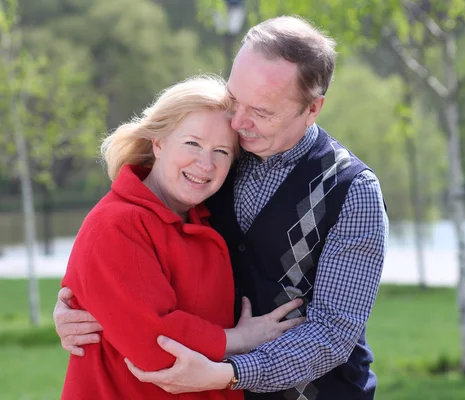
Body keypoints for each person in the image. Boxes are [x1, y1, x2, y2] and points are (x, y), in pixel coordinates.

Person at [54, 16, 389, 400]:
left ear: (312, 109)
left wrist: (229, 372)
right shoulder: (212, 161)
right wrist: (82, 304)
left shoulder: (353, 190)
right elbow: (131, 248)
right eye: (235, 100)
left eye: (262, 112)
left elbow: (332, 334)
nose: (240, 122)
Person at [58, 75, 304, 400]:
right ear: (158, 143)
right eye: (192, 143)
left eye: (221, 151)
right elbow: (157, 346)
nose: (205, 163)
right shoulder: (117, 224)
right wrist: (239, 339)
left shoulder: (204, 217)